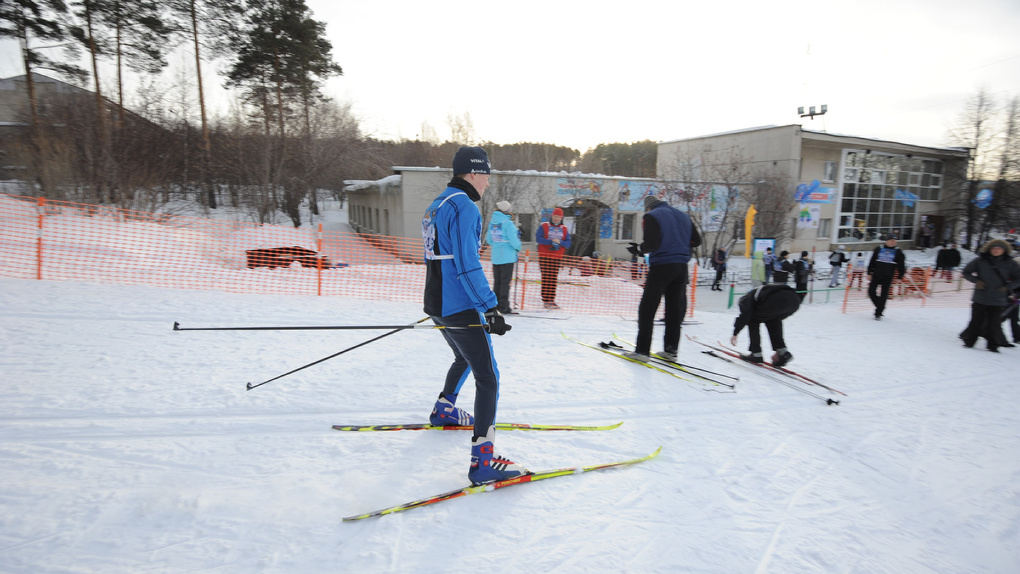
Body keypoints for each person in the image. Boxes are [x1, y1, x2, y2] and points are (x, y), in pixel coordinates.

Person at [421, 146, 527, 485]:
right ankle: (483, 460)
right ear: (472, 173)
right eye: (486, 174)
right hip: (459, 302)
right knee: (488, 375)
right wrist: (490, 306)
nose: (488, 182)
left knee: (463, 356)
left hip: (436, 301)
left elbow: (439, 256)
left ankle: (445, 410)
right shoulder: (465, 207)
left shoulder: (437, 203)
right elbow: (466, 265)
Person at [625, 195, 701, 362]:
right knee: (674, 310)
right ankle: (671, 351)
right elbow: (697, 240)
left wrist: (638, 249)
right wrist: (680, 245)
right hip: (681, 268)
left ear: (648, 207)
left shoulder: (652, 216)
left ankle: (642, 352)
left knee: (647, 308)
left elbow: (651, 245)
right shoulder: (683, 216)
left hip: (662, 266)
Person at [959, 239, 1020, 352]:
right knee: (976, 321)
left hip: (999, 298)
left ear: (1004, 250)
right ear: (989, 249)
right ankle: (969, 342)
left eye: (999, 248)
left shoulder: (1010, 263)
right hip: (980, 296)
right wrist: (976, 281)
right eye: (994, 248)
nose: (996, 250)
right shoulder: (980, 261)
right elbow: (966, 271)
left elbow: (1018, 279)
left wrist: (1008, 287)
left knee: (995, 323)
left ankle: (993, 345)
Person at [730, 284, 800, 367]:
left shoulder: (745, 299)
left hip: (778, 300)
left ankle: (756, 354)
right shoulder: (761, 292)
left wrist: (735, 332)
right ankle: (782, 352)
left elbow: (745, 315)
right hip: (795, 301)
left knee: (753, 321)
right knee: (773, 320)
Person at [484, 200, 521, 314]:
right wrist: (518, 247)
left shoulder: (493, 222)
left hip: (496, 256)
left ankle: (495, 304)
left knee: (497, 281)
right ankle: (504, 306)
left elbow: (489, 239)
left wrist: (497, 245)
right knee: (505, 282)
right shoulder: (508, 223)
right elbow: (513, 240)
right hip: (508, 257)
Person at [535, 207, 571, 309]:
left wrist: (560, 242)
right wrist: (551, 241)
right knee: (546, 277)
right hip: (545, 256)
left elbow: (568, 243)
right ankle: (545, 299)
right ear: (552, 216)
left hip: (556, 256)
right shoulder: (544, 226)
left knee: (553, 278)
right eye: (555, 216)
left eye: (558, 217)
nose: (556, 218)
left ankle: (551, 299)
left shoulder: (564, 229)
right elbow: (538, 238)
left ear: (561, 218)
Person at [867, 236, 906, 320]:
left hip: (888, 276)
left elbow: (901, 264)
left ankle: (878, 313)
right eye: (891, 240)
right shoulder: (879, 248)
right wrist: (869, 272)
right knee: (871, 292)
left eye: (894, 241)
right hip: (876, 274)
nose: (893, 242)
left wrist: (900, 276)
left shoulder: (898, 251)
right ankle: (880, 306)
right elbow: (872, 261)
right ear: (887, 241)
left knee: (884, 294)